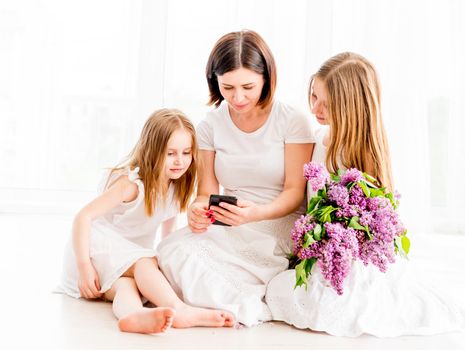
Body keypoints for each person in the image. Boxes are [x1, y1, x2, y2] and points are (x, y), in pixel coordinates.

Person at [265, 52, 465, 337]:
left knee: (332, 302)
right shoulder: (316, 136)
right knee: (280, 291)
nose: (316, 109)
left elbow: (371, 214)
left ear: (351, 107)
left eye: (327, 103)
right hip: (324, 241)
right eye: (313, 96)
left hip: (354, 250)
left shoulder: (361, 152)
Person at [155, 30, 315, 326]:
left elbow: (295, 192)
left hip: (275, 221)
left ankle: (200, 307)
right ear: (214, 81)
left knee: (200, 273)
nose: (238, 98)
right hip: (229, 221)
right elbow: (205, 192)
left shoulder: (291, 120)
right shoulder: (211, 125)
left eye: (248, 87)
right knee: (169, 250)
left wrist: (257, 214)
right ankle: (189, 311)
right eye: (227, 87)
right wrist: (197, 211)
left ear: (267, 78)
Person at [59, 108, 235, 334]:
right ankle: (178, 310)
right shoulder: (132, 185)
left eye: (186, 152)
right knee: (144, 262)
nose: (179, 161)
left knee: (127, 285)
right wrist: (84, 267)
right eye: (170, 153)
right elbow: (83, 217)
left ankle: (133, 315)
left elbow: (167, 226)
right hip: (93, 250)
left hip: (122, 260)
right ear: (152, 151)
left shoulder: (175, 185)